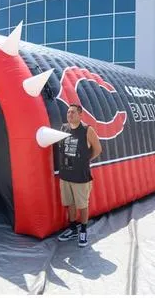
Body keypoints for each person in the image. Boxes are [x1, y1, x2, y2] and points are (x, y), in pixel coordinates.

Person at [56, 104, 102, 247]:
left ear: (80, 115)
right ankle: (72, 229)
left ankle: (83, 231)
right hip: (65, 176)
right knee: (70, 204)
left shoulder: (87, 130)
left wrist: (85, 159)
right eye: (68, 112)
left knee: (82, 205)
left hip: (81, 177)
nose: (69, 114)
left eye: (73, 112)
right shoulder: (63, 128)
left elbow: (98, 149)